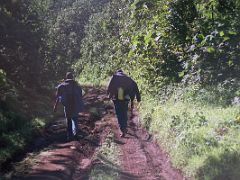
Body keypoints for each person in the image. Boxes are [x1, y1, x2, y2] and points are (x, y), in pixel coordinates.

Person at [107, 69, 141, 137]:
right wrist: (138, 98)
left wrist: (108, 95)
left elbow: (110, 87)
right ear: (123, 73)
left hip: (117, 99)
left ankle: (122, 130)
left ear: (117, 72)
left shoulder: (115, 77)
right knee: (124, 113)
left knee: (119, 114)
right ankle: (124, 127)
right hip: (126, 98)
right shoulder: (128, 78)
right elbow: (135, 86)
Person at [53, 72, 84, 141]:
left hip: (67, 106)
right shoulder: (77, 86)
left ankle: (70, 136)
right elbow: (80, 96)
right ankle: (76, 134)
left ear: (66, 77)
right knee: (75, 119)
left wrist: (55, 106)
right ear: (72, 77)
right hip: (75, 105)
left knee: (69, 120)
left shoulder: (61, 86)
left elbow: (58, 97)